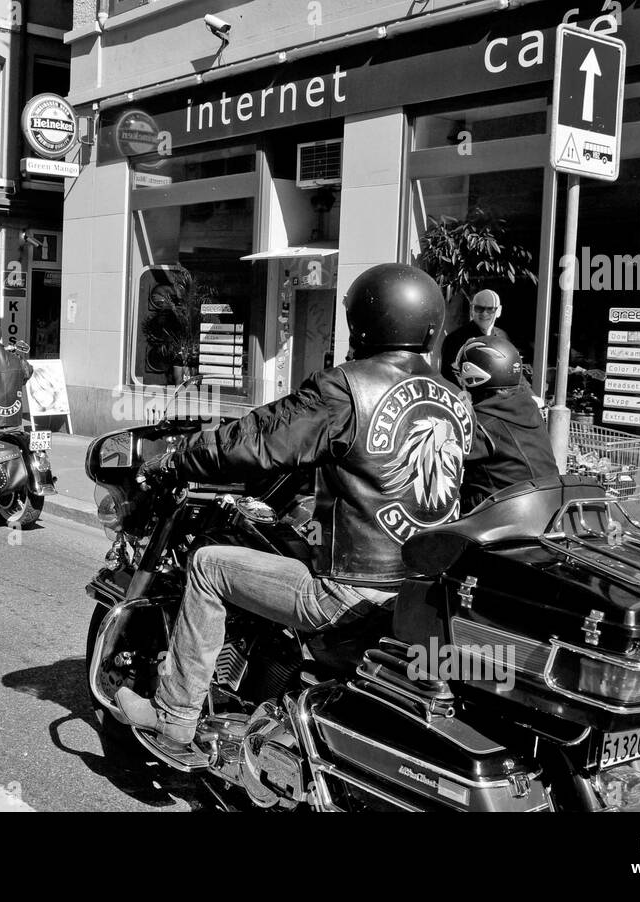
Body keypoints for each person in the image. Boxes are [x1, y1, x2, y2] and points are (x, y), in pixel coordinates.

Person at [115, 263, 473, 748]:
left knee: (207, 565)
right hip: (420, 593)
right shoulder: (454, 397)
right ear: (430, 325)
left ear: (364, 322)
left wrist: (181, 457)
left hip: (349, 591)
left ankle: (174, 714)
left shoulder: (347, 388)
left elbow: (257, 439)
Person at [452, 334, 558, 510]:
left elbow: (447, 456)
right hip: (548, 507)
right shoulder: (529, 408)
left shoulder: (480, 423)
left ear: (474, 377)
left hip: (505, 516)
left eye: (460, 374)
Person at [440, 288, 509, 385]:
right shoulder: (454, 339)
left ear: (499, 311)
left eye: (490, 309)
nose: (484, 313)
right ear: (472, 310)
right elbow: (449, 378)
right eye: (479, 308)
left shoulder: (503, 337)